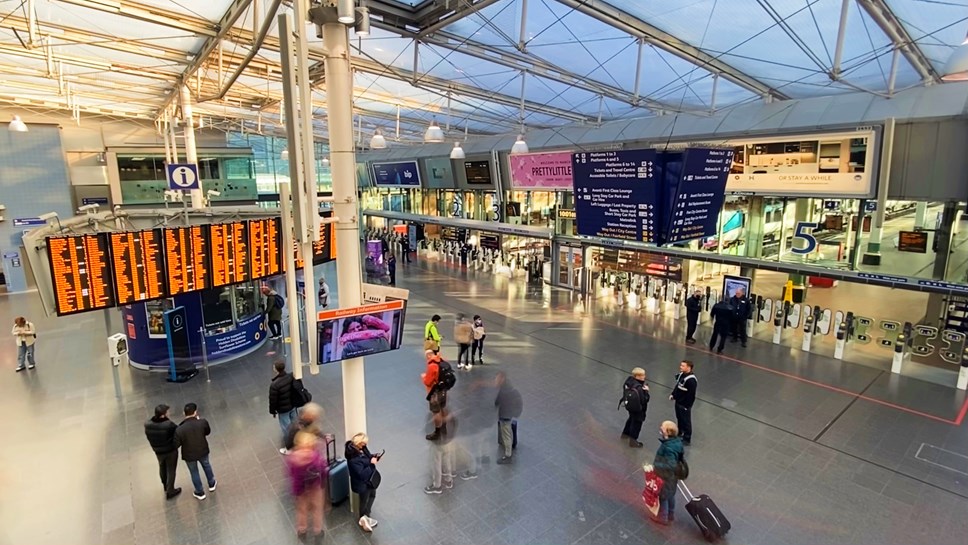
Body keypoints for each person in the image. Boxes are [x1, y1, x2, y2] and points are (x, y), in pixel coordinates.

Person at [286, 431, 326, 542]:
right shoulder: (315, 457)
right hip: (315, 487)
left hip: (300, 489)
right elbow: (323, 470)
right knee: (317, 509)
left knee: (301, 510)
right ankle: (317, 531)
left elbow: (290, 473)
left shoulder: (293, 458)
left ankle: (302, 530)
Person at [174, 403, 217, 500]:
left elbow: (176, 444)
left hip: (189, 455)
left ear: (183, 413)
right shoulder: (202, 422)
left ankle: (200, 492)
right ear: (195, 412)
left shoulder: (180, 429)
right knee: (207, 465)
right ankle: (211, 483)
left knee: (194, 472)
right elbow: (207, 432)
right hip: (202, 450)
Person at [650, 420, 685, 526]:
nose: (660, 427)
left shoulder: (668, 447)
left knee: (663, 496)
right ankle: (671, 514)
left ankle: (663, 517)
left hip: (666, 476)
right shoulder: (676, 443)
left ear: (668, 432)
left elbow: (670, 465)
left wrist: (656, 466)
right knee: (671, 494)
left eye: (663, 427)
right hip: (673, 476)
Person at [144, 404, 181, 499]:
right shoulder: (168, 425)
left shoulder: (148, 424)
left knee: (162, 467)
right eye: (167, 412)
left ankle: (165, 485)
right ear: (163, 415)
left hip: (158, 451)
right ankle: (170, 490)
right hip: (170, 451)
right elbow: (178, 432)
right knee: (171, 470)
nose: (169, 413)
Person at [345, 433, 381, 532]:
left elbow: (368, 457)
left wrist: (374, 457)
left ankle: (366, 515)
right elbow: (361, 474)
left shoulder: (362, 449)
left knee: (372, 495)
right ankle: (363, 517)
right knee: (364, 500)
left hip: (369, 481)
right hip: (362, 484)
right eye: (364, 443)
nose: (365, 445)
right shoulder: (353, 459)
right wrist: (371, 463)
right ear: (359, 443)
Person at [269, 361, 303, 454]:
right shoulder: (290, 376)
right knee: (295, 424)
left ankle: (289, 448)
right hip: (293, 405)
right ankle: (299, 442)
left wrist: (273, 412)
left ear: (275, 369)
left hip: (283, 410)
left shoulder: (274, 385)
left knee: (287, 429)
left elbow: (273, 400)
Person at [424, 409, 456, 494]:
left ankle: (437, 486)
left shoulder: (434, 417)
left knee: (436, 464)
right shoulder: (448, 413)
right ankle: (449, 480)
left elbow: (428, 430)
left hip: (438, 444)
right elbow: (455, 425)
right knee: (447, 460)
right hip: (448, 442)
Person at [494, 372, 523, 465]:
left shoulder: (503, 391)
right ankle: (509, 448)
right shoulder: (511, 389)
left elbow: (497, 402)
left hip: (504, 415)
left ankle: (508, 455)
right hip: (509, 414)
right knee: (508, 432)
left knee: (506, 434)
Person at [620, 367, 650, 448]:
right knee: (637, 424)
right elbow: (644, 400)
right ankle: (633, 441)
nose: (644, 376)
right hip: (638, 409)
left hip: (630, 406)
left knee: (631, 419)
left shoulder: (629, 381)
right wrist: (646, 392)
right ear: (637, 376)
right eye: (642, 375)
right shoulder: (639, 388)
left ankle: (625, 434)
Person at [421, 350, 447, 440]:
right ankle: (444, 424)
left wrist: (424, 377)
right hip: (443, 390)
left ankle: (437, 432)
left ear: (429, 355)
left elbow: (428, 382)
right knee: (442, 407)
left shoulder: (432, 366)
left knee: (436, 412)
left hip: (435, 393)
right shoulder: (441, 360)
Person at [670, 361, 697, 446]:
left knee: (686, 421)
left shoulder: (691, 380)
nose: (680, 367)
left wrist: (687, 406)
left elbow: (691, 395)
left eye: (683, 366)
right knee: (679, 418)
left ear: (689, 367)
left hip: (684, 404)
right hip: (678, 401)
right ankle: (680, 432)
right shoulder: (682, 375)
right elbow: (678, 385)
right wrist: (673, 394)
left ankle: (687, 438)